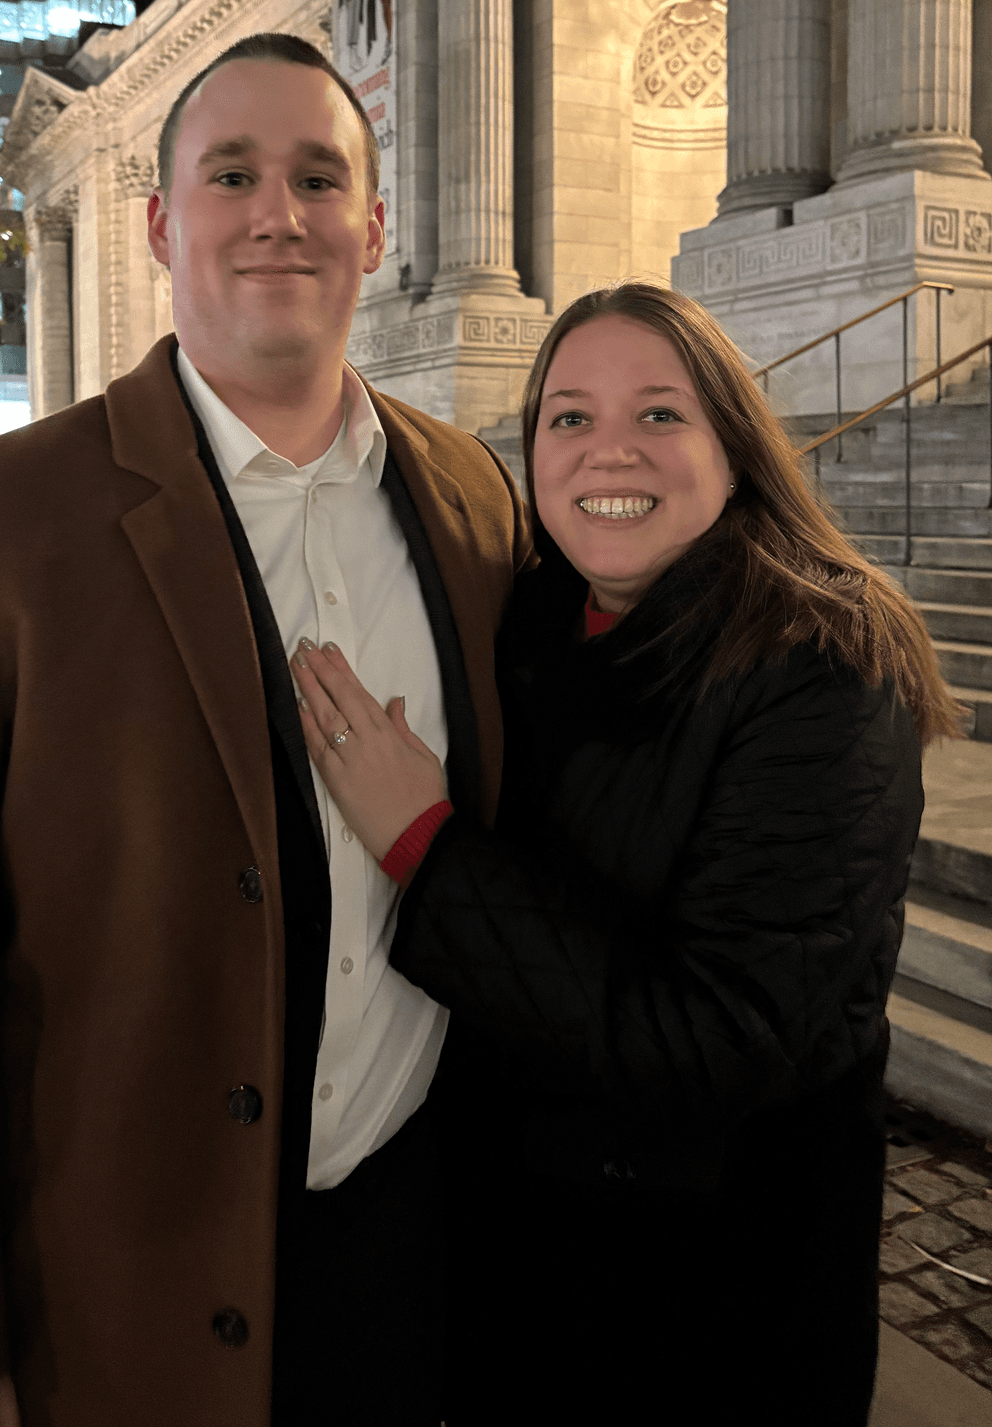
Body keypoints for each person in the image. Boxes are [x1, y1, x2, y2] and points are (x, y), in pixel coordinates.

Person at [0, 33, 531, 1427]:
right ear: (159, 225)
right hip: (122, 1305)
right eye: (232, 173)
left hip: (414, 1258)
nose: (281, 211)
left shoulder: (473, 500)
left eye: (320, 176)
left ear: (374, 229)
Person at [292, 281, 964, 1426]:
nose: (612, 450)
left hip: (711, 1307)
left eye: (661, 414)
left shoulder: (828, 663)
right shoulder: (531, 621)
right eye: (569, 417)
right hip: (517, 1272)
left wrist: (425, 842)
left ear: (733, 446)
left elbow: (718, 1038)